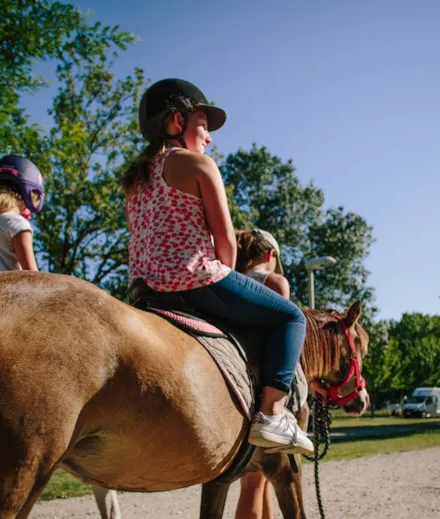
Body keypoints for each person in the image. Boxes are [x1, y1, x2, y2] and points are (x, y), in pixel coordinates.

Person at [122, 78, 314, 455]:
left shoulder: (135, 181)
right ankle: (273, 414)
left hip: (142, 290)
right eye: (203, 126)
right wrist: (227, 274)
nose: (209, 138)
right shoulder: (198, 165)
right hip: (193, 279)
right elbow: (225, 242)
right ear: (177, 121)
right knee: (291, 318)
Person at [223, 228, 294, 519]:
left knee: (261, 484)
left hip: (228, 382)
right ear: (268, 254)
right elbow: (277, 343)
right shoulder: (273, 281)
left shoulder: (226, 282)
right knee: (253, 487)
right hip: (258, 393)